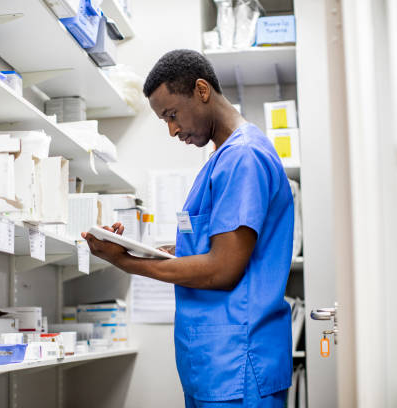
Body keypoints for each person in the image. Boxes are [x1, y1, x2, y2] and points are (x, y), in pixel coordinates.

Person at [81, 49, 294, 408]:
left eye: (172, 115)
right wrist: (150, 252)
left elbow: (223, 270)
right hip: (215, 364)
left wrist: (127, 263)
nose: (172, 130)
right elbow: (214, 252)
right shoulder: (222, 158)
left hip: (239, 365)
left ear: (201, 90)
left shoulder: (244, 157)